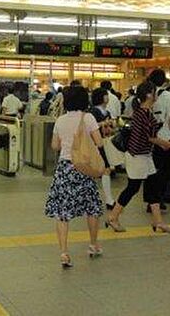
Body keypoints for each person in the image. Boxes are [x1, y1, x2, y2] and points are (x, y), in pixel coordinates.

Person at [106, 81, 170, 233]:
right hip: (137, 156)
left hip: (144, 155)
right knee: (133, 188)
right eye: (154, 92)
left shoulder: (144, 112)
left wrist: (163, 144)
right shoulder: (143, 114)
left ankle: (158, 221)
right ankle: (113, 217)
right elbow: (150, 137)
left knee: (153, 186)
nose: (156, 95)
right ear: (148, 95)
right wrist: (168, 144)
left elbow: (149, 137)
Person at [45, 85, 104, 267]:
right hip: (83, 168)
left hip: (65, 169)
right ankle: (93, 245)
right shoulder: (88, 118)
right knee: (92, 207)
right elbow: (99, 142)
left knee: (62, 212)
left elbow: (55, 146)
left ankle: (64, 253)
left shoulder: (60, 120)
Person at [148, 69, 170, 205]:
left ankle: (152, 200)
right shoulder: (167, 95)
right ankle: (160, 197)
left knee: (152, 170)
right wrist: (168, 130)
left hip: (149, 138)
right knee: (167, 170)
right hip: (164, 138)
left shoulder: (146, 93)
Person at [89, 87, 116, 210]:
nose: (108, 97)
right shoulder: (93, 112)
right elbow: (91, 127)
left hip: (104, 143)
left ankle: (108, 199)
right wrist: (104, 124)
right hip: (96, 144)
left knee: (105, 170)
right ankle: (108, 199)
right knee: (103, 170)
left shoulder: (106, 112)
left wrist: (110, 126)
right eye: (106, 95)